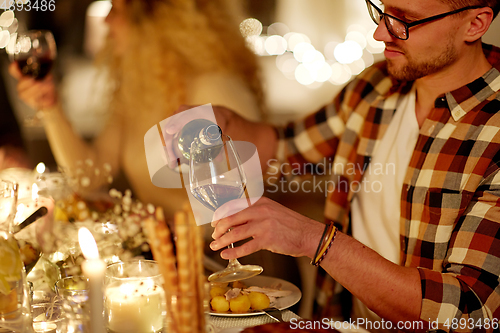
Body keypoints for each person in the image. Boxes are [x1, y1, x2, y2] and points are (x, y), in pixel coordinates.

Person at [171, 0, 500, 330]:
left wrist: (312, 239)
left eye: (405, 20)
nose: (380, 32)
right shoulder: (376, 85)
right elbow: (285, 147)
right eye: (382, 10)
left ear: (476, 24)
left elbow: (468, 313)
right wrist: (223, 121)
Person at [9, 0, 265, 215]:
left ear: (157, 20)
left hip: (229, 262)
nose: (106, 20)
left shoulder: (216, 89)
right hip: (168, 257)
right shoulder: (139, 92)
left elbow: (241, 204)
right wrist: (51, 108)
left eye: (116, 10)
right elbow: (88, 176)